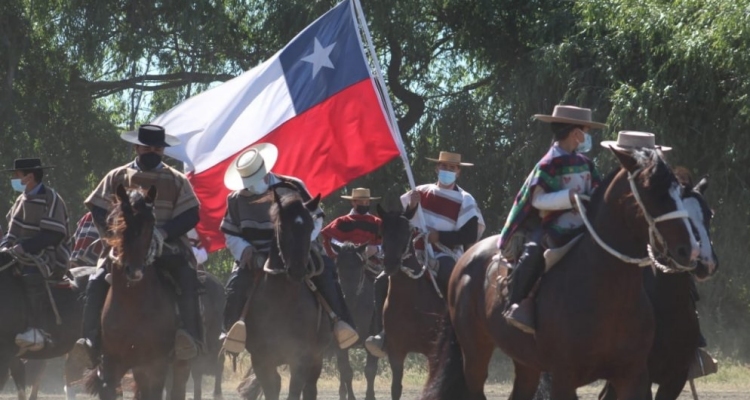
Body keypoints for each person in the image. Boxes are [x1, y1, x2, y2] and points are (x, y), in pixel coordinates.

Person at [69, 124, 202, 368]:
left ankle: (189, 336)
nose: (152, 151)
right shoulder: (116, 176)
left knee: (187, 278)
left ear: (163, 149)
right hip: (124, 250)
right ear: (136, 147)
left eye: (157, 148)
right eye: (147, 147)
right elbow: (97, 208)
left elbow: (191, 214)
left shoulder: (177, 179)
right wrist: (116, 236)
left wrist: (163, 233)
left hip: (167, 247)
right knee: (96, 281)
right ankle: (89, 339)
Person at [221, 143, 358, 350]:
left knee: (327, 274)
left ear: (265, 171)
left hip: (298, 248)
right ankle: (229, 334)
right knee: (235, 286)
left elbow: (316, 217)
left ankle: (343, 324)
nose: (252, 185)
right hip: (255, 254)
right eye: (248, 181)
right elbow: (230, 233)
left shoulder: (292, 186)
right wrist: (244, 249)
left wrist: (303, 241)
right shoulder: (235, 199)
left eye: (255, 179)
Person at [365, 151, 485, 358]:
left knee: (452, 279)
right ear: (436, 168)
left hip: (444, 254)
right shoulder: (419, 192)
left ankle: (460, 331)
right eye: (443, 167)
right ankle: (384, 333)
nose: (447, 170)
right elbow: (401, 222)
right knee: (381, 281)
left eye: (451, 168)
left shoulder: (465, 200)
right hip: (414, 251)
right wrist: (411, 207)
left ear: (458, 171)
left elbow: (470, 233)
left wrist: (439, 237)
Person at [1, 158, 70, 351]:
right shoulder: (21, 198)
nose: (15, 178)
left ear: (29, 176)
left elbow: (54, 234)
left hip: (47, 254)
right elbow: (12, 231)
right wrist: (5, 246)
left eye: (17, 175)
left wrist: (26, 247)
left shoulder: (51, 198)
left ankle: (35, 328)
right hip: (20, 252)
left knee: (31, 275)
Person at [320, 188, 382, 262]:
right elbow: (331, 240)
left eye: (367, 202)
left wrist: (377, 248)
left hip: (373, 264)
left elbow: (388, 243)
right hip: (346, 263)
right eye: (361, 202)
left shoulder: (377, 222)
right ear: (353, 202)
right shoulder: (341, 221)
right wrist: (346, 249)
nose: (364, 205)